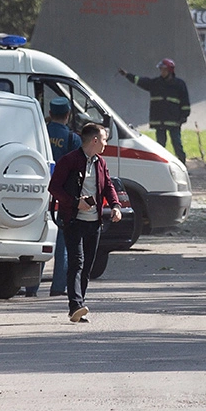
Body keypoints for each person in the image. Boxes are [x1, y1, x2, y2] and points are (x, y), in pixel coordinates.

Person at [48, 123, 121, 323]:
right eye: (104, 139)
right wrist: (74, 203)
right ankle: (75, 306)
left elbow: (107, 186)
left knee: (87, 265)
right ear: (95, 140)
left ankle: (80, 305)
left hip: (94, 222)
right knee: (76, 263)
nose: (106, 143)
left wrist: (115, 205)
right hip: (74, 221)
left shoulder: (100, 163)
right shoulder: (69, 161)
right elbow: (54, 187)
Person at [26, 97, 82, 298]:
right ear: (67, 115)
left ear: (50, 113)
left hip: (38, 194)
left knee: (40, 239)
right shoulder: (72, 139)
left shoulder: (38, 134)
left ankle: (31, 288)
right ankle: (58, 288)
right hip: (62, 196)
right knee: (63, 243)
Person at [119, 58, 190, 163]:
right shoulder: (155, 83)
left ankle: (182, 163)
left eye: (164, 70)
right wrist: (127, 75)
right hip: (160, 121)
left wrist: (184, 117)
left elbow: (185, 102)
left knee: (177, 144)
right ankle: (161, 165)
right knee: (160, 146)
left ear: (170, 70)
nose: (162, 72)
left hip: (174, 121)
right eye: (161, 69)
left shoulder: (179, 84)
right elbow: (140, 81)